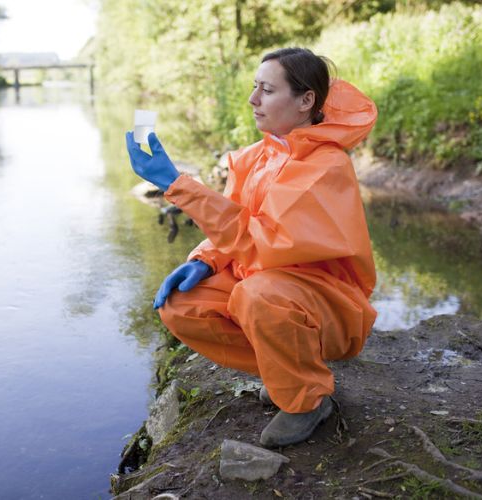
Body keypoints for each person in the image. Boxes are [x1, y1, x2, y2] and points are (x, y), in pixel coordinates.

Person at [125, 47, 378, 448]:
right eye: (254, 87)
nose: (252, 100)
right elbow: (233, 227)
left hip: (328, 306)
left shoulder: (325, 166)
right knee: (181, 304)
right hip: (272, 292)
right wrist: (205, 260)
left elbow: (259, 241)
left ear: (305, 100)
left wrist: (178, 186)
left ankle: (308, 400)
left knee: (258, 294)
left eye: (267, 89)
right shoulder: (259, 156)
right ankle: (289, 374)